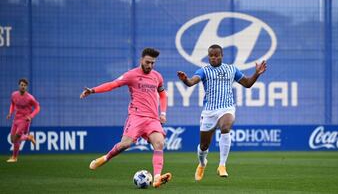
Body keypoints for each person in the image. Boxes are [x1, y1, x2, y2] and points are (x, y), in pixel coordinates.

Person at [80, 48, 171, 188]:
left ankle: (157, 178)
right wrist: (93, 90)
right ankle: (105, 158)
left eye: (153, 63)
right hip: (136, 117)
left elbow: (163, 95)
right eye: (148, 62)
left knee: (159, 143)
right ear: (141, 60)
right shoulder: (131, 75)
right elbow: (112, 84)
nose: (150, 66)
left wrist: (163, 113)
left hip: (152, 119)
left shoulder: (157, 76)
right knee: (125, 144)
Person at [177, 44, 267, 181]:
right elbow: (191, 82)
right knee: (204, 146)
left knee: (225, 128)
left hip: (227, 108)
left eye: (216, 55)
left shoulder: (231, 69)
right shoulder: (204, 71)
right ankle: (202, 163)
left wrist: (256, 74)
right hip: (209, 111)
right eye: (211, 55)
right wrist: (185, 80)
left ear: (221, 56)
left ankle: (222, 165)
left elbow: (247, 83)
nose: (213, 58)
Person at [6, 78, 40, 163]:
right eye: (22, 85)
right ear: (19, 85)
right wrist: (10, 113)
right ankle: (29, 137)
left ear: (26, 87)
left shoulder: (30, 98)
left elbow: (37, 107)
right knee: (12, 140)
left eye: (25, 85)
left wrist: (31, 116)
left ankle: (14, 157)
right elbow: (13, 104)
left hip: (25, 119)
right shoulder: (14, 95)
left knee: (17, 137)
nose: (23, 87)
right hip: (16, 118)